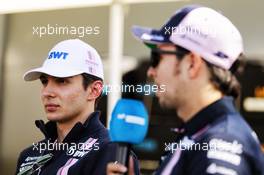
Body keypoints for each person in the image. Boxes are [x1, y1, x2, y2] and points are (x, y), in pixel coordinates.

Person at [107, 5, 264, 175]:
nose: (150, 72)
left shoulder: (220, 143)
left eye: (157, 58)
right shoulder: (200, 133)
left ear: (192, 64)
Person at [15, 39, 139, 175]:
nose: (47, 92)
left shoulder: (112, 153)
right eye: (44, 81)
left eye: (61, 81)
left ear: (94, 90)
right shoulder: (29, 156)